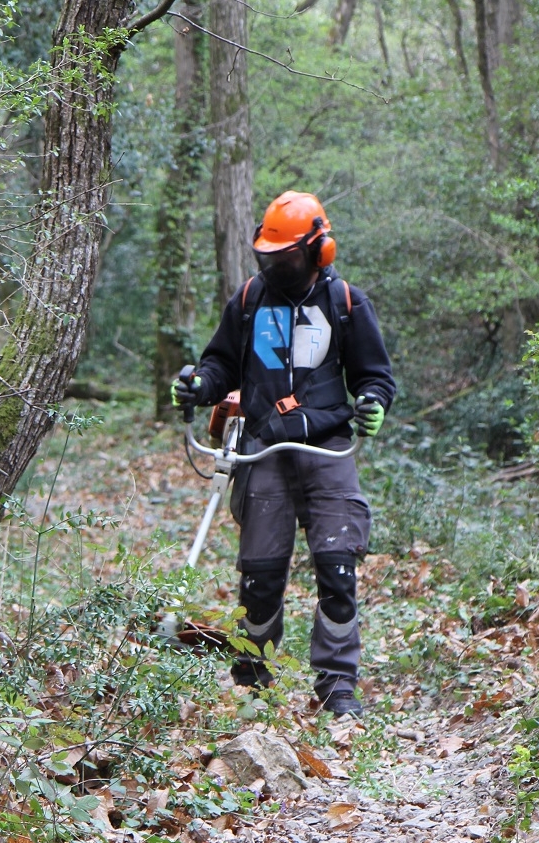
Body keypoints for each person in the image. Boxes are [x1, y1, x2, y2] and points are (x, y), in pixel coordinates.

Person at [172, 191, 395, 717]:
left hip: (328, 448)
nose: (276, 267)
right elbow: (220, 364)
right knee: (260, 575)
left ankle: (337, 687)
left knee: (338, 567)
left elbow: (374, 376)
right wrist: (200, 383)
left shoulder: (346, 304)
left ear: (319, 251)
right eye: (268, 258)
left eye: (287, 258)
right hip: (263, 448)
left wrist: (372, 404)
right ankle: (253, 681)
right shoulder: (249, 301)